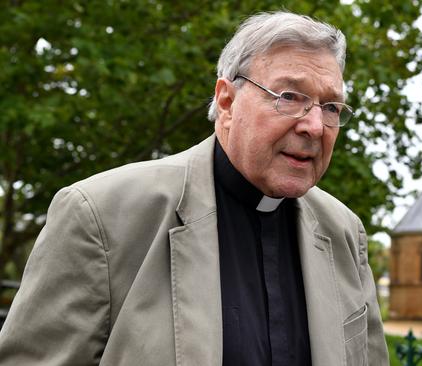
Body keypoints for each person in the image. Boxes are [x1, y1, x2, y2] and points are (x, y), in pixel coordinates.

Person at [0, 11, 389, 366]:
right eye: (289, 97)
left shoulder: (343, 231)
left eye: (331, 107)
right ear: (227, 101)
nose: (315, 126)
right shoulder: (100, 216)